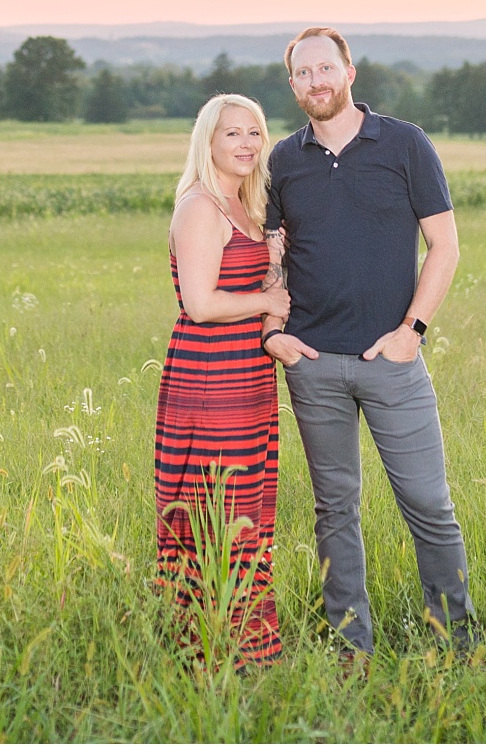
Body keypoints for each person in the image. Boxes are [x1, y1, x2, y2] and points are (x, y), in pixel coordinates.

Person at [260, 26, 477, 661]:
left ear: (350, 71)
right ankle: (350, 647)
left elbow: (445, 246)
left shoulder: (405, 144)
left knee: (428, 505)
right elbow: (275, 252)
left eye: (326, 68)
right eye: (303, 74)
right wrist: (275, 333)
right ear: (294, 84)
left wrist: (412, 333)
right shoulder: (283, 160)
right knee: (335, 511)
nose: (316, 81)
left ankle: (456, 642)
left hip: (393, 363)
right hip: (314, 365)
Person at [154, 93, 291, 669]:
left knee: (248, 511)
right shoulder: (201, 208)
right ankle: (204, 648)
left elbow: (272, 290)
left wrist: (276, 263)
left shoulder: (248, 209)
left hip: (250, 377)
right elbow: (201, 303)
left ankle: (249, 646)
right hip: (210, 377)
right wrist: (267, 296)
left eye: (254, 132)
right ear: (207, 141)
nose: (245, 144)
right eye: (231, 133)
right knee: (214, 508)